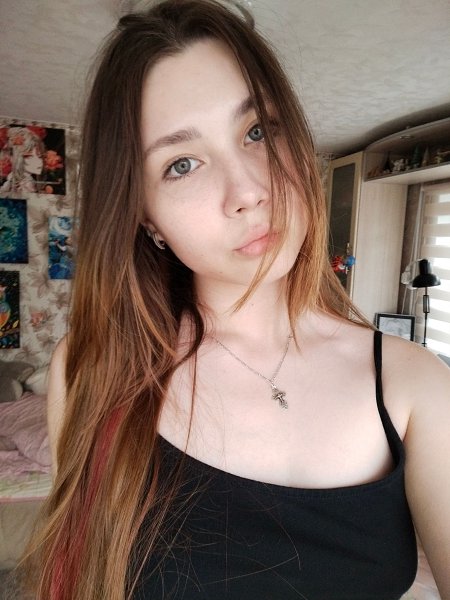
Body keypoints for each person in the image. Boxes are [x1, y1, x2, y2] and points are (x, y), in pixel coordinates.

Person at [24, 1, 450, 599]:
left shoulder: (414, 383)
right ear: (145, 216)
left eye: (258, 132)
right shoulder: (92, 366)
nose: (248, 191)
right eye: (182, 164)